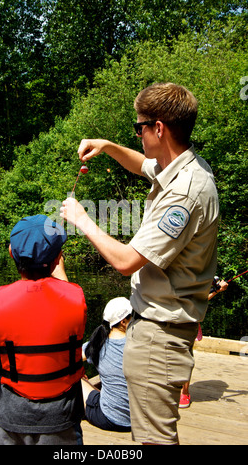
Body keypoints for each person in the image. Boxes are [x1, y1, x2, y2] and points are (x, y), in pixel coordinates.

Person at [60, 82, 219, 445]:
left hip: (159, 335)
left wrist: (83, 220)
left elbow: (127, 261)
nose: (138, 134)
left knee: (153, 439)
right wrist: (109, 146)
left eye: (139, 127)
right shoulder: (181, 166)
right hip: (155, 328)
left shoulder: (184, 192)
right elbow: (143, 164)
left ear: (158, 129)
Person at [0, 215, 87, 445]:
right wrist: (55, 264)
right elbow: (65, 295)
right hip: (62, 417)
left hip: (10, 417)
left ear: (10, 253)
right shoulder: (77, 299)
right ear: (58, 259)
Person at [82, 297, 132, 432]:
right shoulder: (138, 343)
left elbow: (71, 359)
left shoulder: (98, 344)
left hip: (109, 419)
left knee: (77, 380)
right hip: (139, 420)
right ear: (123, 322)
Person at [180, 278, 229, 408]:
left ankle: (184, 392)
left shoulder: (200, 272)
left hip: (189, 321)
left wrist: (218, 288)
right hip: (171, 318)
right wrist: (217, 289)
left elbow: (198, 301)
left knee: (185, 356)